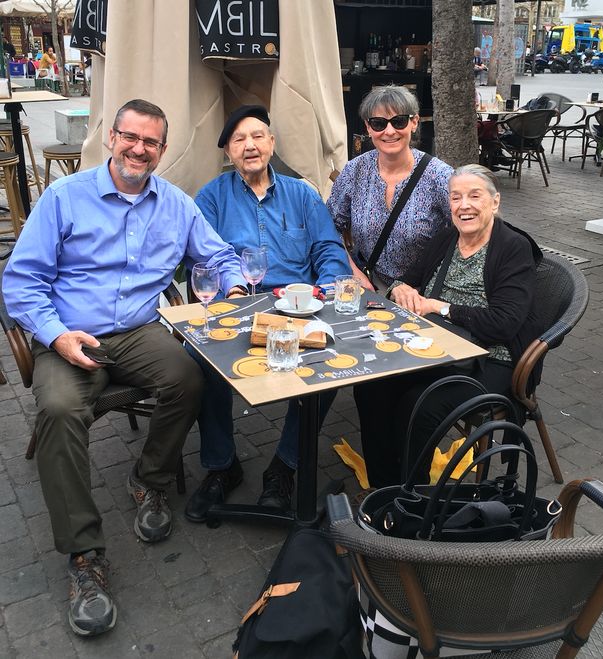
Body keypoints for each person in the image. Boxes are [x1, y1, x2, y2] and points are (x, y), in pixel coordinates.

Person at [2, 99, 247, 637]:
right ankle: (85, 556)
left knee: (191, 376)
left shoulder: (176, 204)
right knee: (61, 412)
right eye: (130, 137)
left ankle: (149, 479)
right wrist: (58, 336)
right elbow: (19, 283)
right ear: (112, 137)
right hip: (68, 332)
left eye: (151, 142)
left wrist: (234, 284)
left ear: (162, 149)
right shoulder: (65, 198)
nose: (139, 149)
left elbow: (219, 256)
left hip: (137, 331)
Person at [185, 105, 351, 521]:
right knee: (198, 359)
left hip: (299, 306)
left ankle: (286, 465)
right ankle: (222, 465)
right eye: (239, 140)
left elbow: (329, 250)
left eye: (257, 136)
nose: (250, 146)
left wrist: (328, 289)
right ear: (229, 153)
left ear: (272, 143)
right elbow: (199, 259)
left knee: (332, 359)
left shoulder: (302, 193)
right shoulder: (212, 196)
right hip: (237, 306)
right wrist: (230, 289)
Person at [354, 164, 543, 487]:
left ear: (494, 203)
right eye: (456, 197)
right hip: (437, 349)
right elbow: (409, 279)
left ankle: (410, 501)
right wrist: (400, 287)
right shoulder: (446, 238)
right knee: (371, 387)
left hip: (490, 359)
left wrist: (439, 307)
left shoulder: (512, 248)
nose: (463, 205)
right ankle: (385, 489)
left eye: (474, 196)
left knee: (420, 405)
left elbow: (504, 323)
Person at [327, 85, 452, 293]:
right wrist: (354, 273)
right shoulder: (355, 171)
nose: (390, 131)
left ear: (414, 122)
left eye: (399, 121)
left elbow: (466, 234)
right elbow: (329, 226)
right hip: (370, 287)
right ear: (368, 128)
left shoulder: (440, 176)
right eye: (378, 123)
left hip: (422, 293)